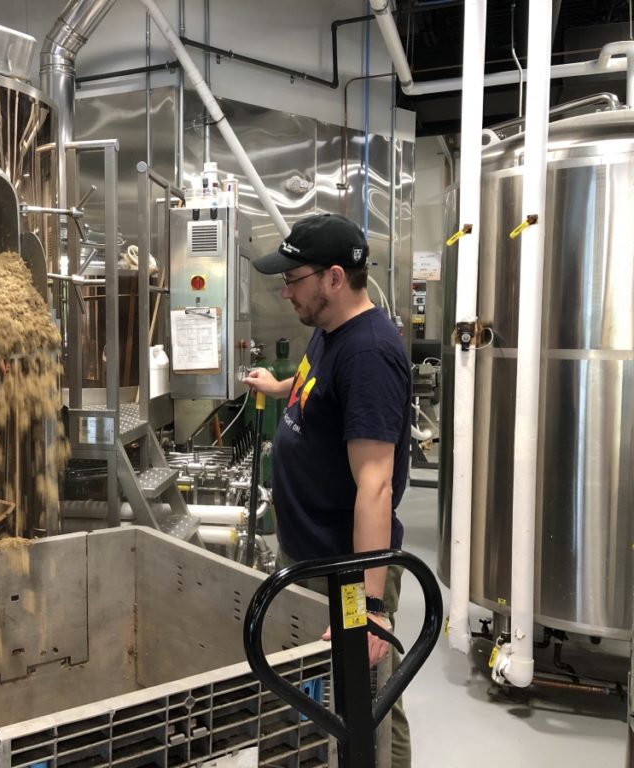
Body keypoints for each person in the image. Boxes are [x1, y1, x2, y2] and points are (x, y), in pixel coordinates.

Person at [241, 213, 413, 767]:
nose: (286, 290)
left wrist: (372, 606)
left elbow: (376, 485)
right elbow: (317, 378)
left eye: (294, 279)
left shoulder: (369, 354)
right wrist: (280, 385)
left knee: (370, 709)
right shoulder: (331, 329)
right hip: (311, 555)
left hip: (345, 570)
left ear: (335, 278)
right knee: (332, 701)